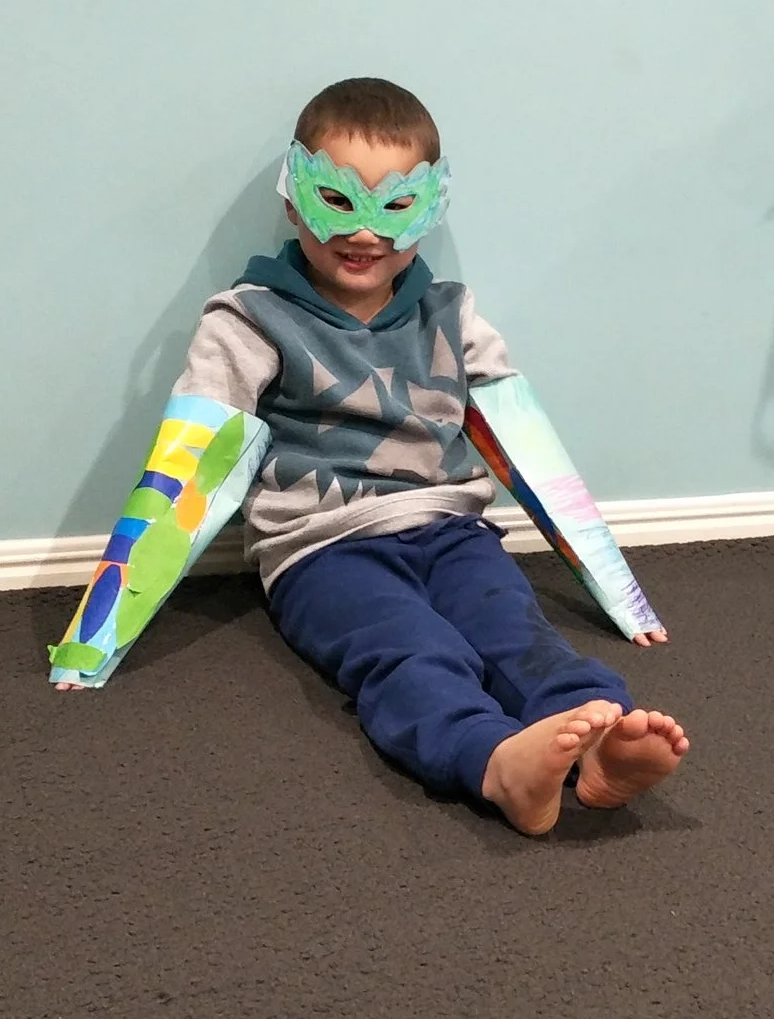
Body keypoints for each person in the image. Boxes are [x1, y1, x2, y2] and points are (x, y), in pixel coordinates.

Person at [47, 77, 689, 836]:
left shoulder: (451, 314)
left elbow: (521, 440)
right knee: (410, 651)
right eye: (339, 201)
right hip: (324, 549)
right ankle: (495, 762)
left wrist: (621, 593)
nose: (365, 233)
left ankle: (597, 738)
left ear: (433, 205)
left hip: (451, 530)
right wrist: (92, 642)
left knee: (518, 631)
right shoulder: (251, 318)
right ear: (295, 197)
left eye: (397, 207)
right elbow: (188, 468)